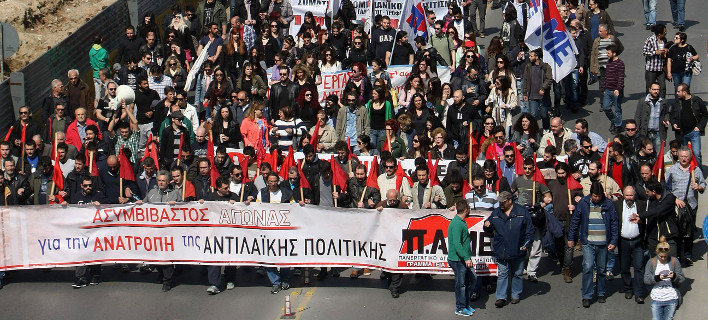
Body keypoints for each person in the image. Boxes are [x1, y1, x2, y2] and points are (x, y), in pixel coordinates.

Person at [568, 182, 619, 308]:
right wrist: (571, 237)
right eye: (595, 196)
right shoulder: (583, 203)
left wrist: (613, 241)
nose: (597, 198)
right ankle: (587, 295)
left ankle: (601, 292)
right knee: (588, 267)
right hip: (588, 242)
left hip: (603, 242)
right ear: (591, 194)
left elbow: (614, 222)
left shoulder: (608, 204)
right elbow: (575, 220)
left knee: (601, 269)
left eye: (599, 196)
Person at [483, 191, 534, 307]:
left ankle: (515, 294)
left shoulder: (522, 212)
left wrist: (526, 244)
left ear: (510, 201)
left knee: (517, 274)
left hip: (518, 248)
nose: (500, 204)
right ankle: (501, 297)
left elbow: (529, 231)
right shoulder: (496, 213)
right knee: (502, 274)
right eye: (499, 201)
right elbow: (489, 228)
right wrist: (487, 226)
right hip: (502, 249)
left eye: (503, 201)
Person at [664, 146, 705, 265]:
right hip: (676, 206)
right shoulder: (672, 170)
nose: (683, 159)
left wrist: (699, 187)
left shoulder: (695, 170)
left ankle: (688, 254)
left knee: (689, 231)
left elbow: (703, 184)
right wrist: (675, 199)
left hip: (691, 206)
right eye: (681, 156)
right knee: (677, 231)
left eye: (686, 157)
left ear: (690, 158)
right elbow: (667, 189)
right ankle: (676, 254)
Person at [614, 185, 647, 304]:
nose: (629, 198)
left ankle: (639, 293)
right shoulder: (617, 205)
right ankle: (628, 288)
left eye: (631, 195)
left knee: (639, 268)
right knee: (624, 267)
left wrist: (641, 220)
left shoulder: (641, 205)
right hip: (623, 241)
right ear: (623, 195)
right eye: (627, 195)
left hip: (638, 241)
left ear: (635, 195)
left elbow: (647, 220)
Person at [643, 236, 685, 320]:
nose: (663, 258)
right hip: (656, 298)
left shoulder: (674, 261)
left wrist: (674, 277)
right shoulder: (651, 262)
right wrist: (657, 278)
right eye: (660, 256)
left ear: (668, 253)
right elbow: (646, 280)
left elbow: (682, 278)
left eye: (665, 256)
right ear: (657, 253)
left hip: (671, 298)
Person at [447, 199, 476, 316]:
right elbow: (457, 244)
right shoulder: (457, 223)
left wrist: (467, 257)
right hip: (458, 260)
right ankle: (460, 308)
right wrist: (466, 258)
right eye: (468, 209)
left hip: (463, 258)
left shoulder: (461, 222)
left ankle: (465, 304)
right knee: (461, 284)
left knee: (472, 280)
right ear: (465, 210)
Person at [668, 83, 708, 164]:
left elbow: (705, 115)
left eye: (679, 91)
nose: (677, 93)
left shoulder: (696, 101)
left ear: (685, 92)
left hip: (694, 132)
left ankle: (697, 174)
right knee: (683, 156)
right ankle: (686, 175)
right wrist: (673, 123)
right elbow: (671, 115)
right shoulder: (676, 102)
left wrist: (699, 127)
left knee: (696, 154)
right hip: (681, 133)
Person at [522, 49, 553, 130]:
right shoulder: (528, 67)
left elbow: (549, 79)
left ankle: (546, 130)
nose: (529, 57)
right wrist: (525, 93)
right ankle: (533, 130)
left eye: (531, 56)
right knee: (533, 115)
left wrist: (543, 88)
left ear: (537, 57)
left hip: (543, 96)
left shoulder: (545, 66)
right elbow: (525, 80)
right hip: (532, 95)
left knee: (544, 115)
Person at [636, 82, 669, 152]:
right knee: (645, 153)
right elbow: (638, 116)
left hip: (658, 133)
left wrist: (666, 119)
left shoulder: (663, 102)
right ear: (649, 90)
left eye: (657, 89)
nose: (656, 91)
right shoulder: (643, 101)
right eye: (654, 89)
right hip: (646, 133)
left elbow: (667, 113)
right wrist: (637, 130)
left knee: (658, 155)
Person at [602, 45, 625, 135]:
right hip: (608, 89)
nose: (607, 54)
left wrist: (618, 89)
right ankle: (614, 121)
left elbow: (620, 77)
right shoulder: (608, 62)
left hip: (616, 90)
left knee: (617, 109)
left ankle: (618, 126)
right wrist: (604, 87)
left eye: (608, 53)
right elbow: (606, 76)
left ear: (614, 53)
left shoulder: (620, 63)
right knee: (606, 107)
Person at [643, 25, 667, 98]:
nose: (666, 33)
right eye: (664, 32)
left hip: (660, 68)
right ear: (659, 33)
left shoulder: (664, 40)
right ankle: (649, 102)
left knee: (662, 87)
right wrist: (655, 52)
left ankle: (662, 102)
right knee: (650, 88)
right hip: (651, 69)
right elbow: (644, 52)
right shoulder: (650, 40)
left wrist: (665, 51)